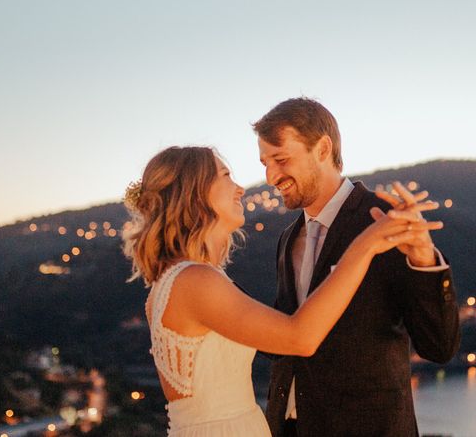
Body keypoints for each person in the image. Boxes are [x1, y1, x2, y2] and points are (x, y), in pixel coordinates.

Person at [123, 146, 442, 436]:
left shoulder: (178, 280)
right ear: (194, 192)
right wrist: (366, 244)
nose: (240, 188)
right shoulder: (195, 281)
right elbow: (298, 338)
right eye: (225, 176)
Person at [254, 97, 461, 437]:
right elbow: (289, 335)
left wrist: (424, 261)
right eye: (265, 163)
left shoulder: (384, 219)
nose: (271, 176)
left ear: (322, 148)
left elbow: (439, 348)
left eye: (280, 159)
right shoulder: (288, 238)